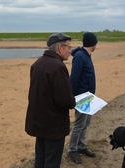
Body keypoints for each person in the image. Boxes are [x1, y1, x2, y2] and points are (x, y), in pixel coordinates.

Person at [25, 32, 76, 168]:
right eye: (69, 48)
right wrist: (74, 101)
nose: (70, 51)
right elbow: (64, 100)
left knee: (40, 159)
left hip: (39, 121)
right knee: (52, 162)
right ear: (60, 48)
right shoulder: (57, 67)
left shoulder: (38, 63)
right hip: (53, 124)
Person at [68, 32, 98, 164]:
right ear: (94, 44)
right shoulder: (80, 56)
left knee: (86, 123)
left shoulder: (86, 55)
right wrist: (73, 96)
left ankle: (81, 146)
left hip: (89, 95)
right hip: (81, 96)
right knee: (79, 125)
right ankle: (72, 150)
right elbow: (74, 78)